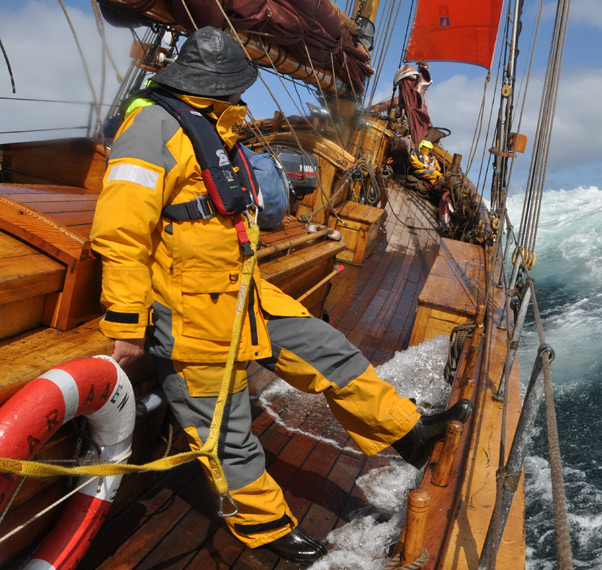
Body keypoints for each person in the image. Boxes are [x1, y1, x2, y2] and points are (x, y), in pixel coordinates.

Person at [89, 27, 470, 566]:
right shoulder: (152, 129)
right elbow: (121, 232)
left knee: (329, 352)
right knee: (225, 431)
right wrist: (127, 324)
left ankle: (408, 432)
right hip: (192, 309)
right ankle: (264, 526)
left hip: (242, 290)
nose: (241, 96)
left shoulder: (213, 122)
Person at [408, 139, 453, 229]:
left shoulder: (432, 157)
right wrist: (427, 166)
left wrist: (435, 167)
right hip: (420, 171)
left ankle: (437, 184)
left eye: (428, 148)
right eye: (425, 148)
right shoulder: (415, 154)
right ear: (422, 147)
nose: (426, 150)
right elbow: (414, 162)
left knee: (436, 175)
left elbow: (438, 167)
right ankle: (441, 180)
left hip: (430, 173)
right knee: (436, 174)